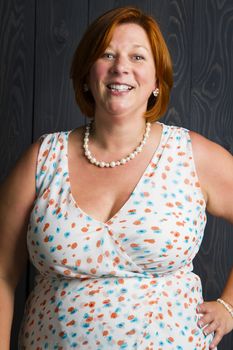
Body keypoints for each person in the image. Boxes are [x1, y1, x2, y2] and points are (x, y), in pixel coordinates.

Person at [0, 6, 233, 350]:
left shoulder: (191, 156)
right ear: (86, 74)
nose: (121, 67)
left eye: (138, 57)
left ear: (156, 81)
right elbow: (2, 275)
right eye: (107, 54)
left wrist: (228, 305)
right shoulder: (42, 160)